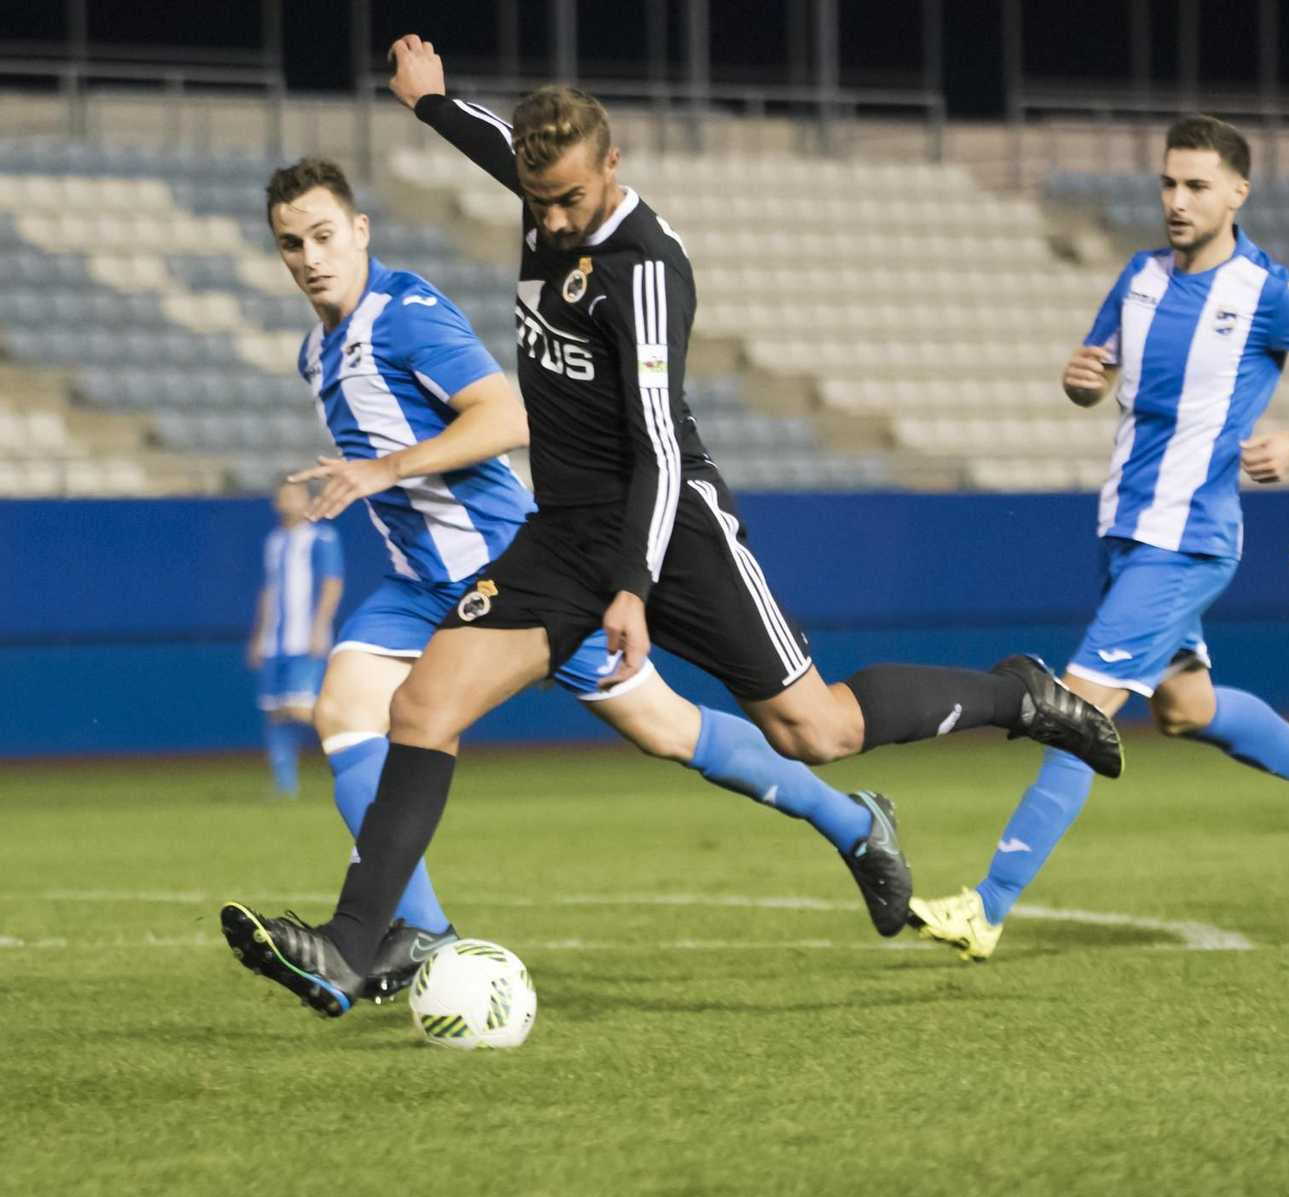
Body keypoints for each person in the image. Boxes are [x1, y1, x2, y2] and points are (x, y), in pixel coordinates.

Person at [221, 130, 1119, 1014]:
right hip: (448, 577)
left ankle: (919, 770)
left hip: (548, 550)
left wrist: (617, 581)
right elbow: (519, 161)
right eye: (291, 243)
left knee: (759, 729)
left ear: (363, 230)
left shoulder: (422, 312)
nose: (309, 257)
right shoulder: (325, 347)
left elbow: (520, 419)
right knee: (371, 710)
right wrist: (432, 102)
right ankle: (385, 940)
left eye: (324, 235)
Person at [910, 114, 1289, 962]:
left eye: (1197, 185)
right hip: (1125, 531)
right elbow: (1096, 380)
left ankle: (985, 907)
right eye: (1168, 183)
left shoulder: (1269, 291)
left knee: (1079, 712)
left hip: (1189, 540)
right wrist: (1079, 383)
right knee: (1184, 709)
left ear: (1238, 193)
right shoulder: (1138, 277)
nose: (1177, 200)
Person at [247, 480, 342, 796]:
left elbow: (332, 583)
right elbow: (268, 589)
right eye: (282, 495)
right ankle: (285, 786)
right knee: (276, 713)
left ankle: (363, 741)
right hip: (275, 641)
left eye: (293, 495)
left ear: (309, 501)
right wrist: (259, 635)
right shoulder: (274, 541)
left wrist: (319, 628)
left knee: (300, 708)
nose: (285, 501)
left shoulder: (322, 536)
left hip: (305, 638)